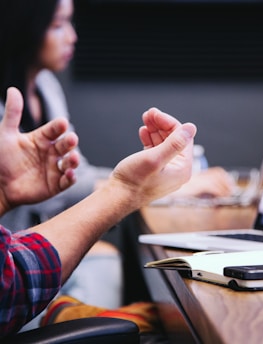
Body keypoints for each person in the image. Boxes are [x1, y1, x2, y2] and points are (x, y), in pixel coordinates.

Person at [0, 0, 234, 313]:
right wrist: (135, 188)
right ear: (22, 27)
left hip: (28, 248)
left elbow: (71, 176)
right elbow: (61, 194)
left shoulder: (45, 86)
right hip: (16, 259)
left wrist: (132, 185)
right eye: (57, 25)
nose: (72, 36)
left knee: (112, 260)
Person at [0, 86, 197, 338]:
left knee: (106, 257)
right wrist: (127, 189)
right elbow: (9, 284)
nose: (71, 42)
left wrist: (3, 192)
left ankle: (64, 314)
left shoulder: (46, 86)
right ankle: (59, 315)